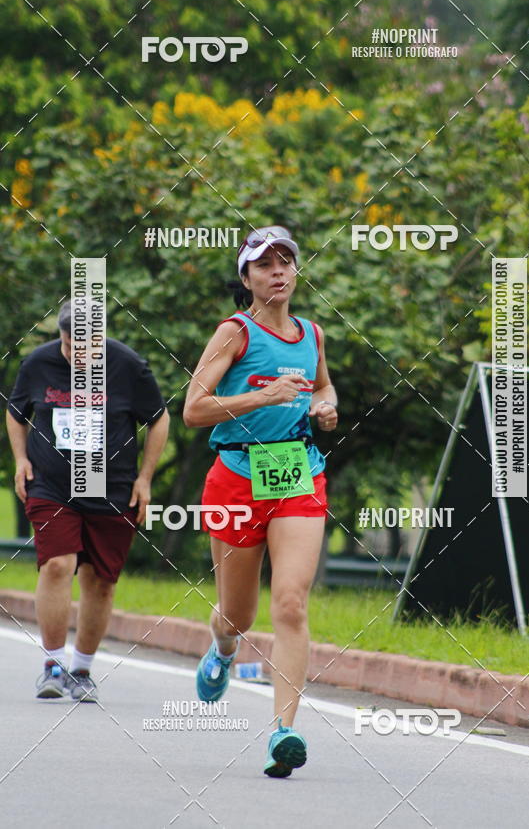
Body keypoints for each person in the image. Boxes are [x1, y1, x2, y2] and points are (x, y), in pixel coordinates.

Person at [183, 226, 337, 778]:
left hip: (298, 472)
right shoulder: (234, 333)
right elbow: (194, 410)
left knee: (291, 603)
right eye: (264, 263)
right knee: (238, 615)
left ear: (296, 271)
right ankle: (223, 649)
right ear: (246, 278)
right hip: (236, 476)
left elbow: (323, 387)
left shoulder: (312, 333)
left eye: (286, 261)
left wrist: (325, 409)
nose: (278, 271)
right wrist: (262, 396)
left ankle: (283, 733)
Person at [6, 300, 170, 702]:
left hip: (112, 488)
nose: (77, 354)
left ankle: (81, 669)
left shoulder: (127, 366)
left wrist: (145, 479)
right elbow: (16, 412)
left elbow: (159, 418)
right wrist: (21, 460)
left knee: (99, 582)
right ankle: (52, 665)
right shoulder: (38, 364)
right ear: (59, 335)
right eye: (68, 344)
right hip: (51, 485)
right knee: (58, 565)